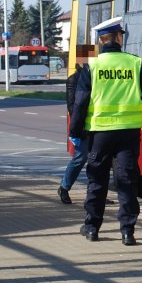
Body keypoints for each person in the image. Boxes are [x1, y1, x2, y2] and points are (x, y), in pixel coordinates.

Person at [70, 16, 142, 246]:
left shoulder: (93, 66)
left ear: (101, 41)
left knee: (97, 180)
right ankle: (128, 231)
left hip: (100, 133)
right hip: (129, 133)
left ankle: (91, 228)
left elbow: (80, 103)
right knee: (127, 181)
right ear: (119, 38)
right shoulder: (136, 64)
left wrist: (76, 132)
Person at [58, 64, 88, 204]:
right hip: (84, 125)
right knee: (80, 158)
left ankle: (97, 193)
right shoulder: (74, 79)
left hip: (99, 123)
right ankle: (64, 188)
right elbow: (72, 107)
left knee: (99, 161)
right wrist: (76, 129)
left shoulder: (98, 77)